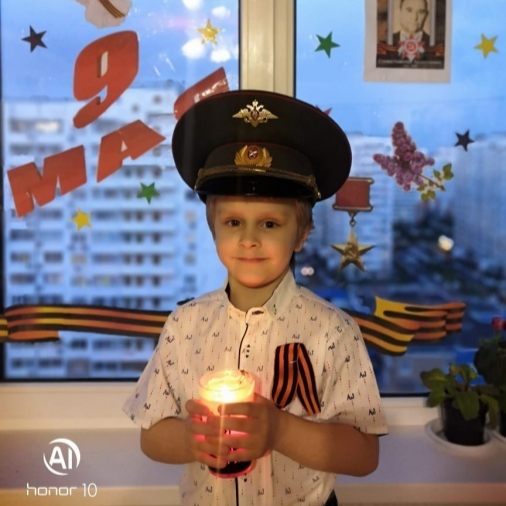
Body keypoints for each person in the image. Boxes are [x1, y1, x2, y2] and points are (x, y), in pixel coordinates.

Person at [123, 90, 388, 506]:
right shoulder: (184, 326)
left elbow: (364, 455)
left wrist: (279, 430)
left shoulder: (333, 332)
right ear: (213, 228)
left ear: (301, 234)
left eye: (269, 223)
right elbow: (151, 435)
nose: (249, 239)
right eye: (233, 222)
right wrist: (194, 438)